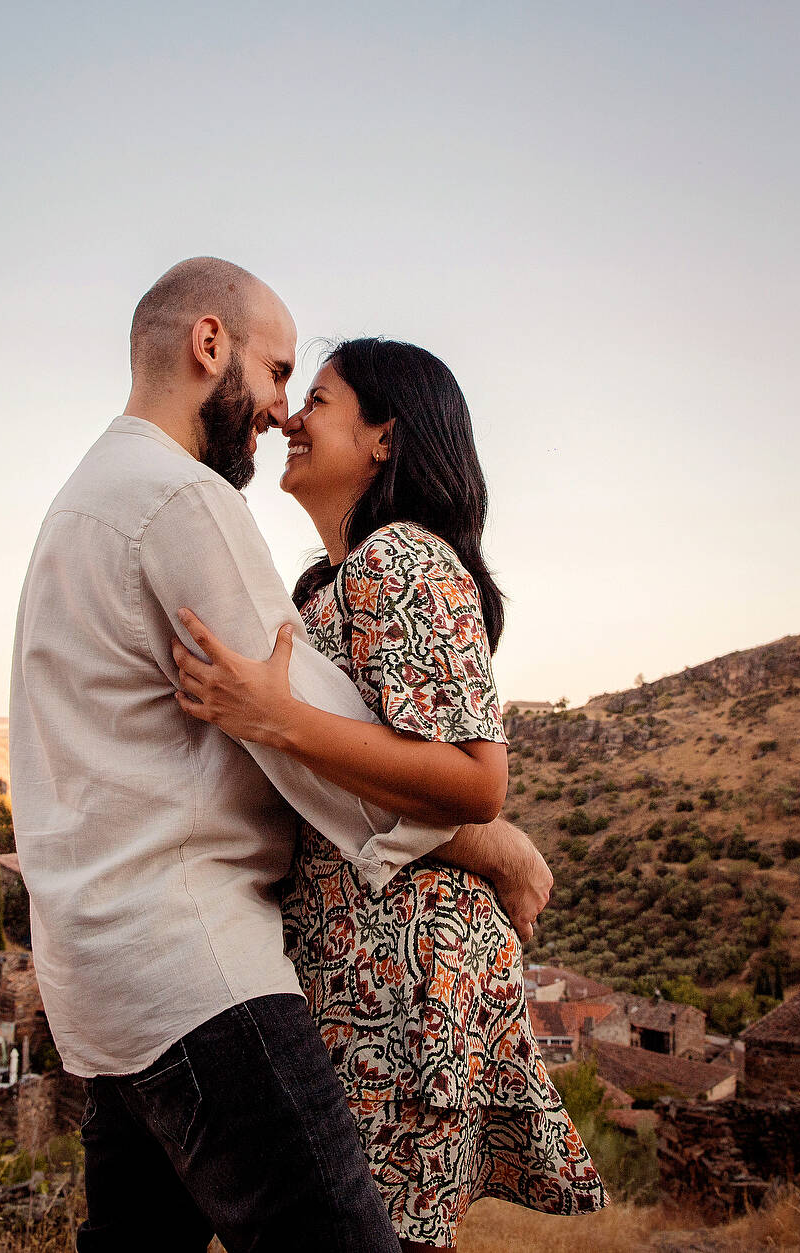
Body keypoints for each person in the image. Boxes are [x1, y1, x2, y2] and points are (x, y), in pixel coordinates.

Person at [8, 259, 554, 1253]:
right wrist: (496, 845)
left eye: (304, 390)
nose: (278, 410)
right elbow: (302, 732)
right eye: (277, 372)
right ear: (208, 344)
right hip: (193, 968)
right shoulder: (179, 499)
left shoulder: (80, 500)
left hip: (97, 980)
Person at [170, 337, 607, 1250]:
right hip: (360, 969)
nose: (291, 417)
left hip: (403, 979)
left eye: (319, 400)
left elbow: (478, 780)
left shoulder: (401, 556)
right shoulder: (335, 583)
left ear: (384, 437)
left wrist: (278, 718)